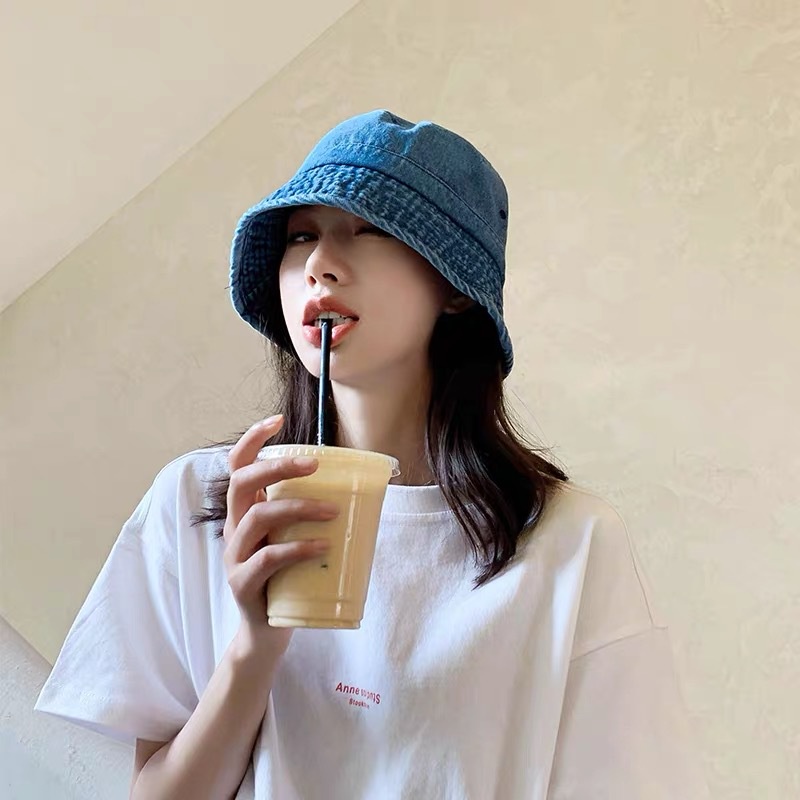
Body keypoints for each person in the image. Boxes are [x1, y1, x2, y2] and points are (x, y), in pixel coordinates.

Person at [35, 110, 709, 799]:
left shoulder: (570, 541)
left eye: (368, 229)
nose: (318, 265)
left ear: (454, 285)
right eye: (301, 236)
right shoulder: (200, 499)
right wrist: (253, 648)